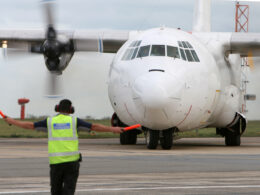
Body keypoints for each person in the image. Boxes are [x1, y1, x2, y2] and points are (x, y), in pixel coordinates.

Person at [4, 99, 124, 195]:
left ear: (57, 108)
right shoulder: (74, 121)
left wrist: (12, 121)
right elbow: (94, 127)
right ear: (71, 109)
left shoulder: (50, 122)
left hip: (56, 164)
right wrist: (112, 129)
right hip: (72, 164)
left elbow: (29, 125)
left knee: (55, 191)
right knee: (69, 191)